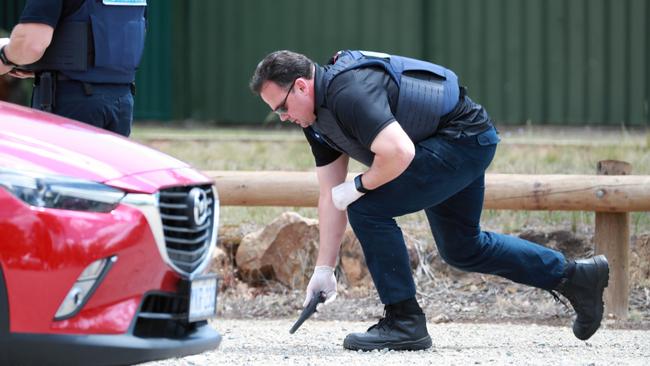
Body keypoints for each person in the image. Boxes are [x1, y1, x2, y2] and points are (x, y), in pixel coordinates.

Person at [249, 50, 610, 351]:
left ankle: (404, 320)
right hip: (459, 140)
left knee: (367, 207)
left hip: (462, 138)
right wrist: (324, 270)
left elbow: (398, 153)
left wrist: (359, 185)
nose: (283, 118)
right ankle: (576, 277)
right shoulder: (315, 122)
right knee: (462, 248)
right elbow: (331, 197)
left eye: (281, 107)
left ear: (300, 85)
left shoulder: (347, 92)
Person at [0, 0, 147, 137]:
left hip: (71, 100)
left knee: (59, 164)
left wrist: (4, 56)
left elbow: (31, 45)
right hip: (122, 103)